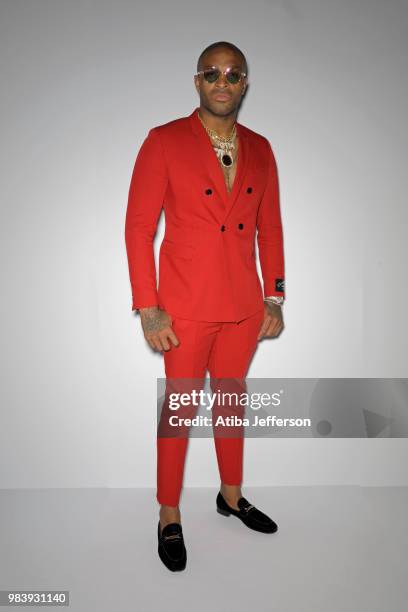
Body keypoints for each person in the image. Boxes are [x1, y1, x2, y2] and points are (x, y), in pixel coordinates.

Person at [125, 41, 285, 572]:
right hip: (185, 308)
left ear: (245, 85)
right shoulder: (164, 140)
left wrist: (275, 295)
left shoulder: (261, 148)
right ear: (197, 81)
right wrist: (149, 307)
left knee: (231, 403)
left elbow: (271, 228)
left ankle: (231, 496)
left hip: (242, 306)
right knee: (179, 412)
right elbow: (139, 228)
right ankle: (169, 513)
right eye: (212, 72)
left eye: (234, 73)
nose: (223, 81)